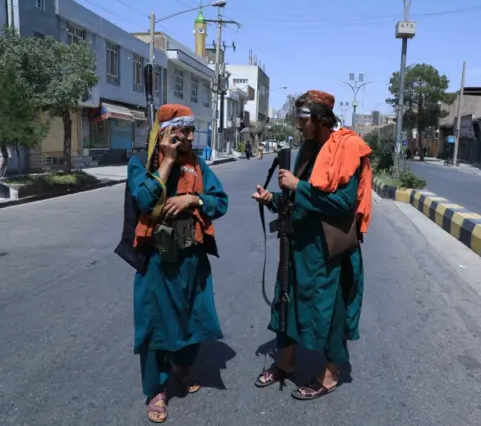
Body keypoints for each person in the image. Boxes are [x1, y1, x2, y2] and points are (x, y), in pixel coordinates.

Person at [252, 90, 372, 401]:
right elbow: (297, 200)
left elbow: (343, 202)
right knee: (286, 301)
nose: (298, 125)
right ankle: (287, 362)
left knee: (329, 311)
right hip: (297, 247)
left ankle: (331, 373)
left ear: (320, 120)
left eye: (302, 120)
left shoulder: (346, 149)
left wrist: (297, 185)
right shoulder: (307, 149)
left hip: (326, 252)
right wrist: (273, 200)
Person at [126, 103, 228, 423]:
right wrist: (167, 162)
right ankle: (156, 390)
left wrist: (193, 199)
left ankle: (181, 367)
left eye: (190, 131)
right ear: (166, 132)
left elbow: (220, 201)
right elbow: (144, 199)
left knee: (193, 317)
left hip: (191, 257)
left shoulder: (197, 165)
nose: (188, 137)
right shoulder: (140, 163)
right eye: (182, 131)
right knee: (156, 324)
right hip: (158, 260)